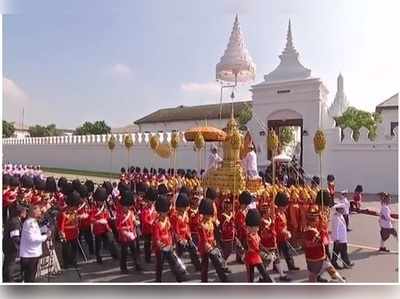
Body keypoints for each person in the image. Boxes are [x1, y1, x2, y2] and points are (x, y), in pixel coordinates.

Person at [303, 205, 345, 283]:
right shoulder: (311, 231)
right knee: (313, 277)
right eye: (317, 219)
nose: (318, 220)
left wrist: (323, 225)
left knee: (329, 268)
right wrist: (323, 232)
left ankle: (341, 281)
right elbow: (320, 242)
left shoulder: (308, 228)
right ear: (314, 220)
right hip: (317, 258)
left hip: (317, 257)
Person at [152, 194, 188, 282]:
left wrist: (172, 243)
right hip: (160, 248)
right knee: (160, 265)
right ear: (159, 211)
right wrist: (161, 245)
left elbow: (170, 232)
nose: (165, 213)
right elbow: (156, 237)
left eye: (166, 211)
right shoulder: (156, 223)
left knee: (173, 262)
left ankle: (179, 277)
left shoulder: (167, 219)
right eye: (164, 212)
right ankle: (158, 280)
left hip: (168, 245)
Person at [198, 198, 229, 282]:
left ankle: (223, 278)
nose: (208, 216)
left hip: (211, 245)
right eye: (206, 214)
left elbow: (212, 233)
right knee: (205, 266)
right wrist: (207, 245)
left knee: (217, 263)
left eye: (209, 214)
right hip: (205, 247)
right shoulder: (201, 225)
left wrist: (214, 241)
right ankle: (204, 281)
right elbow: (203, 237)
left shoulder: (211, 222)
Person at [20, 204, 51, 282]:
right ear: (34, 212)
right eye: (39, 211)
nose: (40, 213)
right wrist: (46, 236)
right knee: (29, 279)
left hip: (33, 254)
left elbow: (36, 233)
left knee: (31, 277)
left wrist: (44, 229)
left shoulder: (33, 222)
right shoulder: (29, 223)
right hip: (29, 256)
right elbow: (32, 239)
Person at [116, 190, 143, 274]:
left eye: (128, 206)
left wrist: (137, 223)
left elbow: (134, 220)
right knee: (124, 253)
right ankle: (123, 267)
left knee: (135, 251)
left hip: (132, 236)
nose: (126, 208)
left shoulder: (131, 212)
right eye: (125, 206)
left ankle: (137, 265)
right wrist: (126, 232)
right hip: (124, 237)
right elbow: (118, 227)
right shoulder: (119, 215)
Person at [173, 192, 201, 271]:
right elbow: (176, 229)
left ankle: (198, 266)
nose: (185, 209)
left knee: (193, 251)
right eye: (183, 207)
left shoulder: (185, 213)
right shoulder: (175, 216)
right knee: (179, 254)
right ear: (179, 207)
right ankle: (177, 268)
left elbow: (187, 225)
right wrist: (180, 239)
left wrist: (189, 234)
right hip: (180, 238)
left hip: (186, 236)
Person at [244, 209, 273, 283]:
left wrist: (267, 251)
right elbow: (255, 248)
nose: (257, 228)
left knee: (264, 273)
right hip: (250, 258)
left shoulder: (256, 234)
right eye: (256, 227)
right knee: (251, 277)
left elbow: (259, 244)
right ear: (250, 227)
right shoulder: (249, 237)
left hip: (257, 257)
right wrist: (266, 255)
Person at [3, 204, 28, 282]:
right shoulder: (15, 222)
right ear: (20, 212)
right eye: (24, 211)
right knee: (10, 266)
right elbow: (15, 237)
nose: (26, 213)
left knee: (8, 265)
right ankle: (9, 282)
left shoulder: (15, 220)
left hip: (11, 248)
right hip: (12, 249)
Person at [275, 192, 299, 271]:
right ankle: (276, 267)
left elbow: (285, 225)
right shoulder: (277, 215)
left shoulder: (283, 213)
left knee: (287, 252)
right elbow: (277, 228)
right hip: (278, 237)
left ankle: (291, 265)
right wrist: (285, 232)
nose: (286, 207)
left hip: (284, 237)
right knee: (277, 253)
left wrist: (286, 231)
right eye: (285, 206)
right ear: (281, 205)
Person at [57, 191, 81, 269]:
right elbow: (61, 225)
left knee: (74, 248)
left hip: (74, 233)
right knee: (66, 250)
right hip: (66, 234)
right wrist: (62, 234)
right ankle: (66, 263)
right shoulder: (64, 213)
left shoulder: (75, 211)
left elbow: (76, 222)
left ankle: (73, 261)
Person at [331, 203, 353, 269]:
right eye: (342, 209)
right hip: (339, 239)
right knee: (340, 252)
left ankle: (345, 263)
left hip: (342, 238)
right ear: (338, 209)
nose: (343, 210)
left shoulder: (340, 216)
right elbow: (336, 229)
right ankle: (340, 263)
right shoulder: (336, 218)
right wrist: (337, 239)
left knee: (340, 252)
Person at [140, 187, 157, 263]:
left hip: (153, 229)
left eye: (153, 201)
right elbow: (145, 220)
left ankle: (151, 256)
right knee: (147, 244)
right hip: (146, 230)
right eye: (151, 201)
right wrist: (152, 223)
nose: (152, 203)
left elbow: (156, 217)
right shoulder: (145, 209)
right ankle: (147, 258)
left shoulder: (154, 208)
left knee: (152, 243)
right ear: (148, 200)